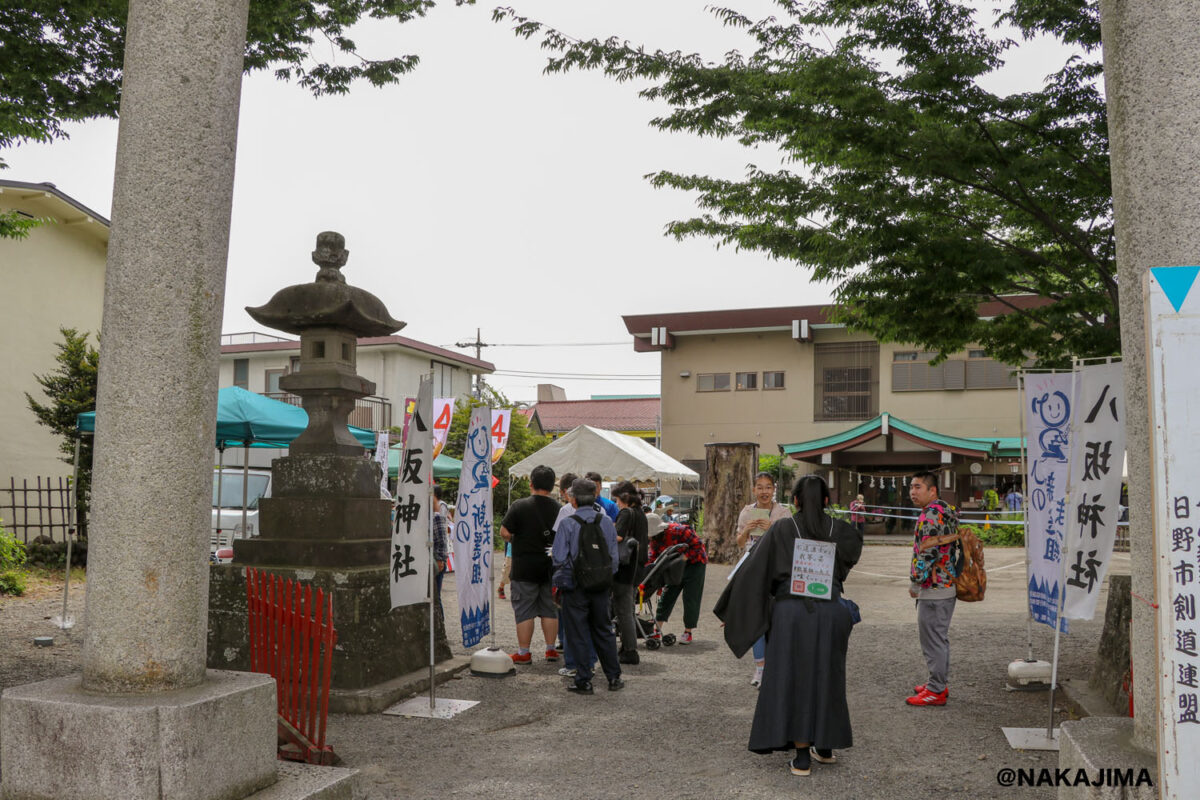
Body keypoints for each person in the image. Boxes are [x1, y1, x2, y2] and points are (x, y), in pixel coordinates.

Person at [714, 475, 863, 777]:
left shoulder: (783, 528)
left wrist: (734, 609)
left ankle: (802, 756)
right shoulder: (840, 530)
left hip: (792, 612)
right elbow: (851, 556)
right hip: (831, 611)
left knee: (792, 677)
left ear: (794, 500)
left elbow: (755, 570)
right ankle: (825, 747)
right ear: (825, 501)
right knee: (827, 675)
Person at [552, 478, 623, 694]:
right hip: (601, 586)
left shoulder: (567, 524)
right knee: (604, 630)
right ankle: (614, 678)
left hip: (575, 587)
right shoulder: (606, 522)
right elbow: (614, 559)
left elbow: (558, 557)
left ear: (573, 500)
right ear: (594, 498)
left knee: (578, 632)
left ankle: (584, 680)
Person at [499, 464, 561, 664]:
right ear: (552, 487)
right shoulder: (559, 509)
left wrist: (517, 539)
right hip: (550, 567)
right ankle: (551, 649)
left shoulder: (519, 505)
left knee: (524, 609)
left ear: (531, 483)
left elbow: (504, 532)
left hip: (524, 567)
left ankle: (524, 652)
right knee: (550, 609)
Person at [907, 470, 958, 707]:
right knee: (938, 637)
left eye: (918, 487)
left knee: (933, 639)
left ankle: (936, 690)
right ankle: (937, 683)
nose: (913, 492)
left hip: (935, 587)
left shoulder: (929, 517)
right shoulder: (945, 510)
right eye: (911, 487)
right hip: (947, 583)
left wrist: (915, 582)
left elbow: (927, 552)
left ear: (932, 490)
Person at [735, 472, 792, 686]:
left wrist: (773, 529)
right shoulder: (747, 512)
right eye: (760, 487)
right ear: (754, 490)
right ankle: (760, 667)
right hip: (752, 568)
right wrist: (747, 530)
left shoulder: (783, 513)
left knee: (777, 618)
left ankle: (777, 666)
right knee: (756, 618)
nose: (764, 491)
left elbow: (789, 544)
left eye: (768, 487)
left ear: (774, 489)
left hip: (776, 570)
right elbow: (740, 543)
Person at [646, 513, 707, 645]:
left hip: (695, 564)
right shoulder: (654, 541)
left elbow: (698, 546)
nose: (651, 538)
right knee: (667, 596)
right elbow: (653, 559)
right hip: (673, 567)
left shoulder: (681, 531)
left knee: (691, 597)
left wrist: (683, 558)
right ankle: (657, 629)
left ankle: (688, 631)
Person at [611, 480, 649, 664]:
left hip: (626, 566)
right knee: (626, 608)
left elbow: (618, 536)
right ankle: (627, 646)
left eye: (617, 499)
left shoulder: (626, 513)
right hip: (638, 566)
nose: (616, 503)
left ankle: (630, 650)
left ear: (624, 498)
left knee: (624, 609)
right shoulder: (640, 513)